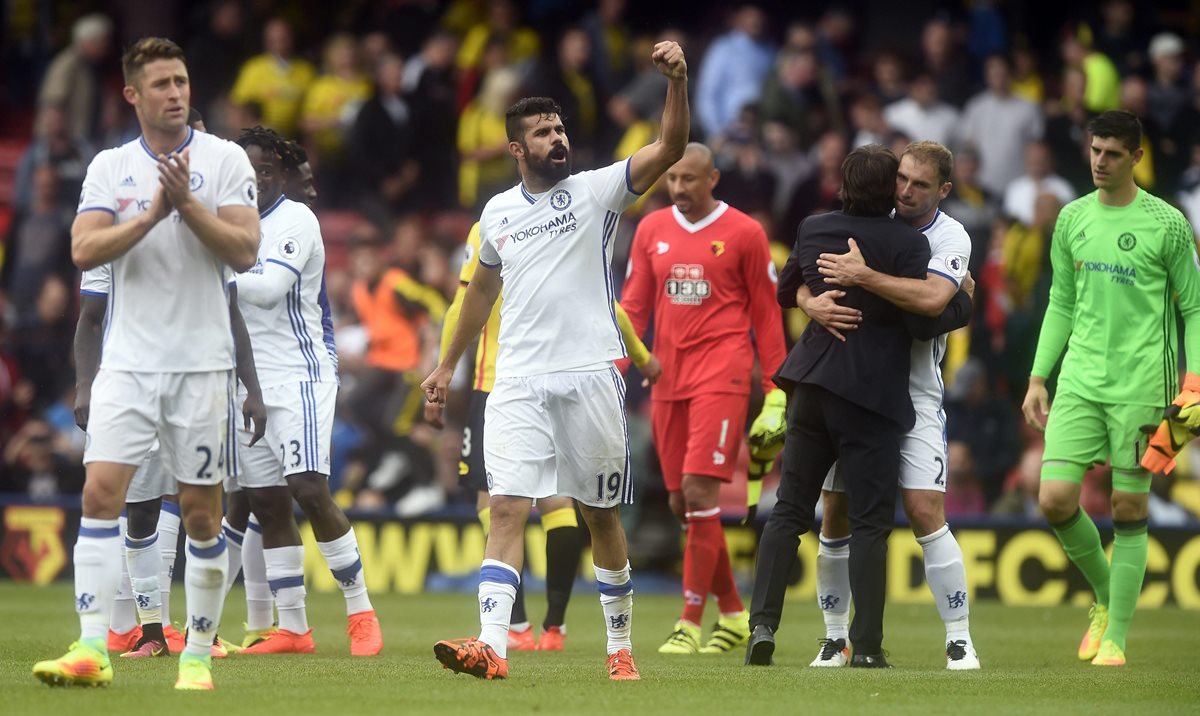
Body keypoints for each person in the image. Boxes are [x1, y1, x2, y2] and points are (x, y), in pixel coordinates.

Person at [421, 39, 689, 681]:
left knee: (600, 515)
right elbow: (480, 292)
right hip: (515, 381)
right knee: (507, 505)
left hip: (590, 375)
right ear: (517, 148)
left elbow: (670, 148)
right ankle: (492, 645)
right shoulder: (497, 212)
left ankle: (619, 647)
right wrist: (446, 366)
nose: (557, 137)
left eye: (561, 127)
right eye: (543, 132)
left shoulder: (598, 192)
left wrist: (676, 83)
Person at [32, 37, 260, 691]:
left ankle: (195, 655)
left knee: (200, 515)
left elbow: (244, 251)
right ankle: (89, 646)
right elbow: (83, 249)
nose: (175, 92)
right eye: (160, 83)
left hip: (201, 366)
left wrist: (186, 205)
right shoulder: (109, 168)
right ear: (133, 94)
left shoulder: (223, 161)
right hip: (128, 366)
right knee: (100, 496)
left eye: (181, 81)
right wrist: (153, 213)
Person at [747, 144, 973, 669]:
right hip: (869, 389)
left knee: (922, 510)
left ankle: (959, 637)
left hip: (909, 387)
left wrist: (863, 278)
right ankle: (840, 640)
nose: (906, 190)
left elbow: (928, 305)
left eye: (919, 184)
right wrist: (813, 302)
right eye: (901, 179)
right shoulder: (890, 228)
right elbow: (800, 285)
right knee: (843, 517)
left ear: (942, 189)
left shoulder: (948, 236)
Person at [426, 221, 659, 651]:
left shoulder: (488, 227)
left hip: (499, 382)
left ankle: (519, 626)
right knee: (556, 502)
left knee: (496, 502)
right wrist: (644, 358)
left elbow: (462, 302)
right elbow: (607, 303)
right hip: (544, 381)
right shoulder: (565, 223)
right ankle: (551, 626)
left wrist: (444, 368)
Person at [1021, 110, 1200, 667]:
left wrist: (1194, 385)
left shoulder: (1168, 224)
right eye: (1095, 150)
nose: (1100, 161)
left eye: (1113, 153)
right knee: (1053, 500)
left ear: (1136, 158)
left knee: (1127, 507)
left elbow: (1194, 308)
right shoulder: (1072, 218)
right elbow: (1061, 304)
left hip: (1145, 383)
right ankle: (1104, 596)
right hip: (1079, 381)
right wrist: (1037, 376)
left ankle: (1117, 636)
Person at [619, 142, 787, 655]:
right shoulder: (651, 230)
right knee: (680, 502)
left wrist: (776, 390)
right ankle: (734, 613)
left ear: (713, 178)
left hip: (723, 374)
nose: (678, 189)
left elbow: (766, 314)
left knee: (698, 494)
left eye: (689, 179)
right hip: (667, 378)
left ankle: (689, 621)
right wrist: (616, 367)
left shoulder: (746, 233)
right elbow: (634, 306)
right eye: (672, 180)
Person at [226, 127, 384, 656]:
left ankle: (361, 611)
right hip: (247, 381)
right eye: (248, 173)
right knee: (267, 504)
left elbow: (269, 292)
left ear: (280, 175)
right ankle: (293, 627)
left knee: (309, 489)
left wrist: (211, 275)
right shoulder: (229, 226)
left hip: (301, 373)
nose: (256, 181)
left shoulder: (295, 219)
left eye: (266, 171)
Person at [76, 260, 265, 659]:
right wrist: (84, 387)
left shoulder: (203, 230)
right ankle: (151, 635)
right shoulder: (116, 233)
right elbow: (90, 317)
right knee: (140, 513)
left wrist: (253, 389)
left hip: (199, 387)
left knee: (204, 514)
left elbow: (232, 314)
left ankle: (203, 636)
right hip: (134, 387)